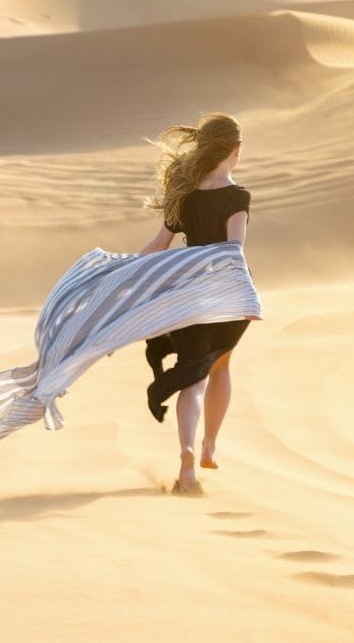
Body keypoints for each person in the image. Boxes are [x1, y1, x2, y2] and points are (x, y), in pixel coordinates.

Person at [137, 112, 252, 495]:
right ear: (236, 151)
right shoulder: (237, 197)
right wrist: (246, 296)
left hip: (185, 296)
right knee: (219, 367)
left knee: (193, 374)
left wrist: (126, 276)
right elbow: (234, 249)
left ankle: (186, 459)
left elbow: (157, 247)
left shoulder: (184, 195)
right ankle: (208, 447)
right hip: (224, 294)